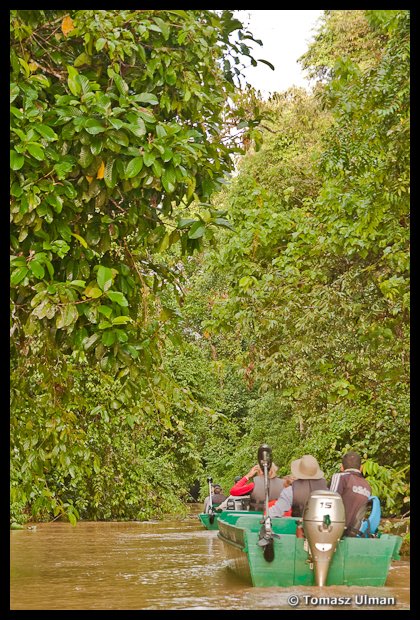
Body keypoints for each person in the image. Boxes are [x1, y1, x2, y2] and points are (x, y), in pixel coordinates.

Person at [268, 454, 328, 518]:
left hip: (298, 526)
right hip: (322, 527)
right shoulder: (327, 491)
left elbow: (272, 514)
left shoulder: (290, 491)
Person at [329, 451, 372, 537]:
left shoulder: (340, 477)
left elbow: (330, 501)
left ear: (341, 467)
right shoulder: (367, 486)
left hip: (336, 532)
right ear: (361, 468)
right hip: (355, 533)